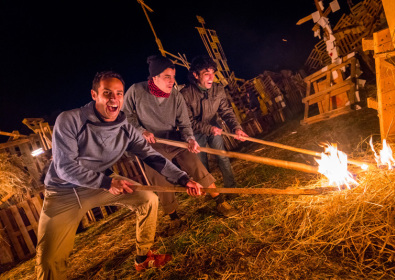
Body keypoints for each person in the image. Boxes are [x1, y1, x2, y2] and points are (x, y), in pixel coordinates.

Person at [36, 71, 204, 279]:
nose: (114, 99)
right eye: (107, 93)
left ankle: (143, 257)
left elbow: (152, 157)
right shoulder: (70, 120)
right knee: (49, 260)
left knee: (148, 199)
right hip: (64, 192)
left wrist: (183, 179)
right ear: (94, 95)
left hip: (103, 183)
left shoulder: (125, 128)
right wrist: (106, 182)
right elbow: (64, 167)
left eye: (119, 93)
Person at [122, 55, 238, 227]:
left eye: (174, 76)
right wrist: (141, 131)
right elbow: (126, 116)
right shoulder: (136, 91)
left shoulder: (176, 96)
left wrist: (190, 139)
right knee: (160, 177)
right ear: (154, 77)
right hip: (151, 145)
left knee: (196, 164)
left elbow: (184, 123)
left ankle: (220, 200)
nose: (172, 81)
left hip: (173, 139)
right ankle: (174, 218)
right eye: (167, 76)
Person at [181, 55, 248, 191]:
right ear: (195, 75)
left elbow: (226, 111)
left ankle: (231, 188)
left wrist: (236, 128)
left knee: (222, 157)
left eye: (212, 73)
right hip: (195, 133)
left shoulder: (218, 89)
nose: (211, 78)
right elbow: (188, 122)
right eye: (206, 74)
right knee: (202, 164)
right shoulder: (185, 94)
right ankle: (213, 193)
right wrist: (208, 129)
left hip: (213, 127)